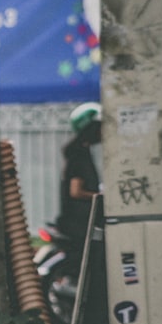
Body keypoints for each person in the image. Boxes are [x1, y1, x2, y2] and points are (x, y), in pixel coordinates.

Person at [57, 101, 103, 256]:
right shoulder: (78, 155)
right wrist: (100, 197)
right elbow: (75, 191)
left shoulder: (81, 152)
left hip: (81, 222)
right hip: (79, 223)